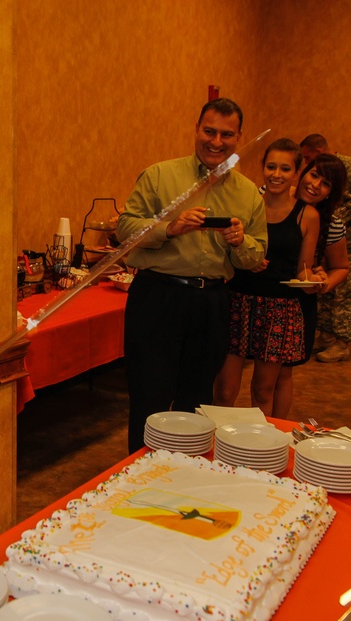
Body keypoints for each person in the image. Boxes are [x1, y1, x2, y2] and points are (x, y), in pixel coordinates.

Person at [116, 98, 267, 455]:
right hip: (158, 297)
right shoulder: (159, 175)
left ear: (239, 137)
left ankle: (187, 474)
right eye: (209, 131)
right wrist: (170, 228)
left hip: (212, 303)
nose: (216, 141)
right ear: (196, 129)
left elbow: (256, 254)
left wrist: (240, 241)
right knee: (149, 396)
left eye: (226, 135)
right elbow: (125, 228)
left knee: (197, 398)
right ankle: (139, 473)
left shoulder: (248, 192)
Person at [213, 138, 320, 417]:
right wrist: (248, 260)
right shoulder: (247, 205)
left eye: (285, 169)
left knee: (262, 391)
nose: (276, 174)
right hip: (238, 300)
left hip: (279, 308)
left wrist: (316, 280)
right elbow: (226, 251)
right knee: (224, 390)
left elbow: (303, 270)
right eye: (271, 167)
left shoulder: (307, 215)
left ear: (297, 173)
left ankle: (264, 453)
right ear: (262, 167)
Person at [272, 153, 350, 415]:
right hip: (256, 292)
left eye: (325, 183)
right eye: (314, 175)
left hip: (297, 300)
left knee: (282, 375)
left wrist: (325, 283)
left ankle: (276, 434)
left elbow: (341, 267)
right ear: (302, 172)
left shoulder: (332, 224)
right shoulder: (273, 194)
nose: (315, 185)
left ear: (331, 192)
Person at [299, 134, 351, 363]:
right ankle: (326, 336)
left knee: (343, 294)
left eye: (308, 157)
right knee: (323, 291)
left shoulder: (348, 166)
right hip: (322, 239)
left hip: (350, 242)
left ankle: (342, 343)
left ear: (319, 150)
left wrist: (324, 221)